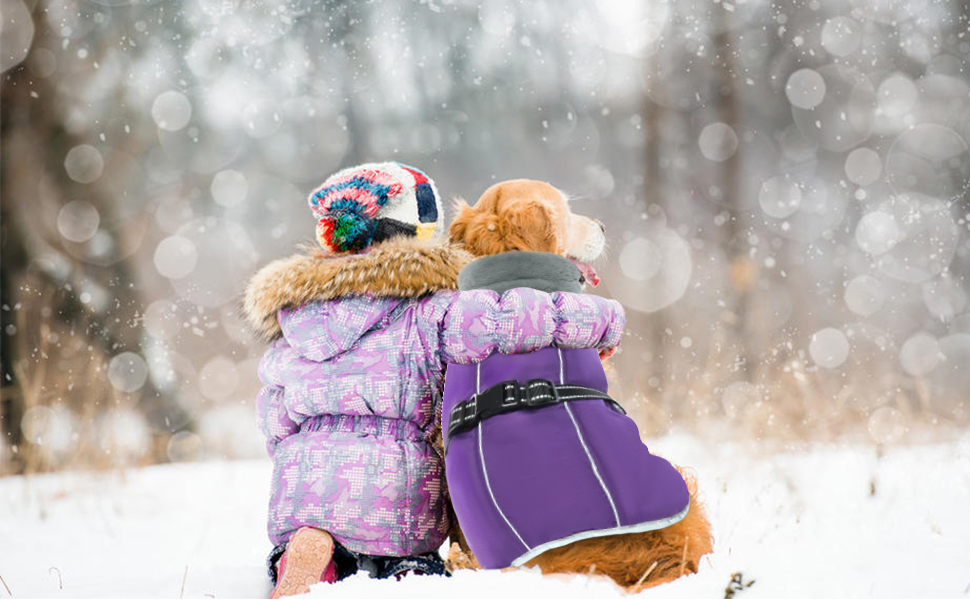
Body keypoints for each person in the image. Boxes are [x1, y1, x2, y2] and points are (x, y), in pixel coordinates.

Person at [243, 162, 625, 597]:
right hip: (399, 491)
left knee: (309, 535)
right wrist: (603, 321)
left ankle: (313, 550)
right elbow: (512, 320)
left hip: (303, 486)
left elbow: (273, 418)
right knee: (414, 564)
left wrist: (304, 457)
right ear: (420, 225)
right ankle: (410, 575)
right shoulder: (433, 309)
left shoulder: (294, 322)